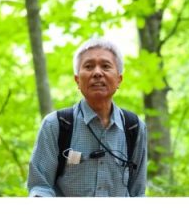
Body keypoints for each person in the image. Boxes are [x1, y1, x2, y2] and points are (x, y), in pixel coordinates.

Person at [27, 38, 147, 197]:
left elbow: (137, 193)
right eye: (89, 66)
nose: (97, 73)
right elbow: (40, 187)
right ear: (77, 80)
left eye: (105, 66)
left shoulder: (134, 127)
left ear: (119, 79)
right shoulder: (56, 125)